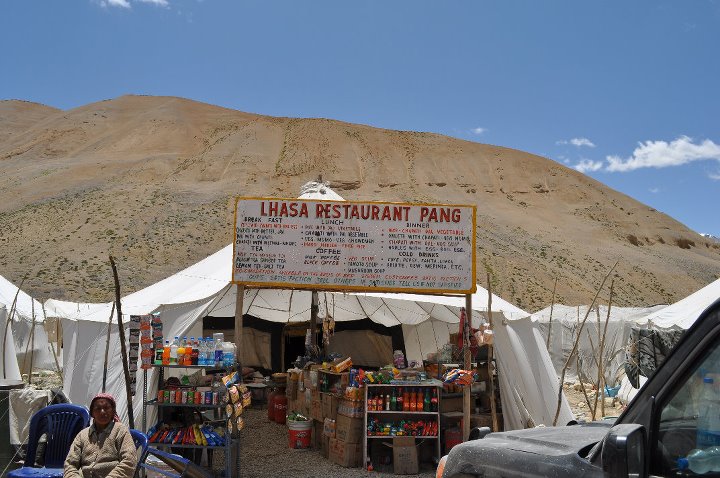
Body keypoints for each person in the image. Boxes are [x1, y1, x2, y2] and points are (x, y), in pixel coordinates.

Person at [64, 393, 137, 478]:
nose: (102, 412)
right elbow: (70, 464)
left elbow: (129, 461)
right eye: (98, 408)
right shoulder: (82, 435)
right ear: (92, 413)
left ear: (113, 411)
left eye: (106, 408)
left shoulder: (120, 431)